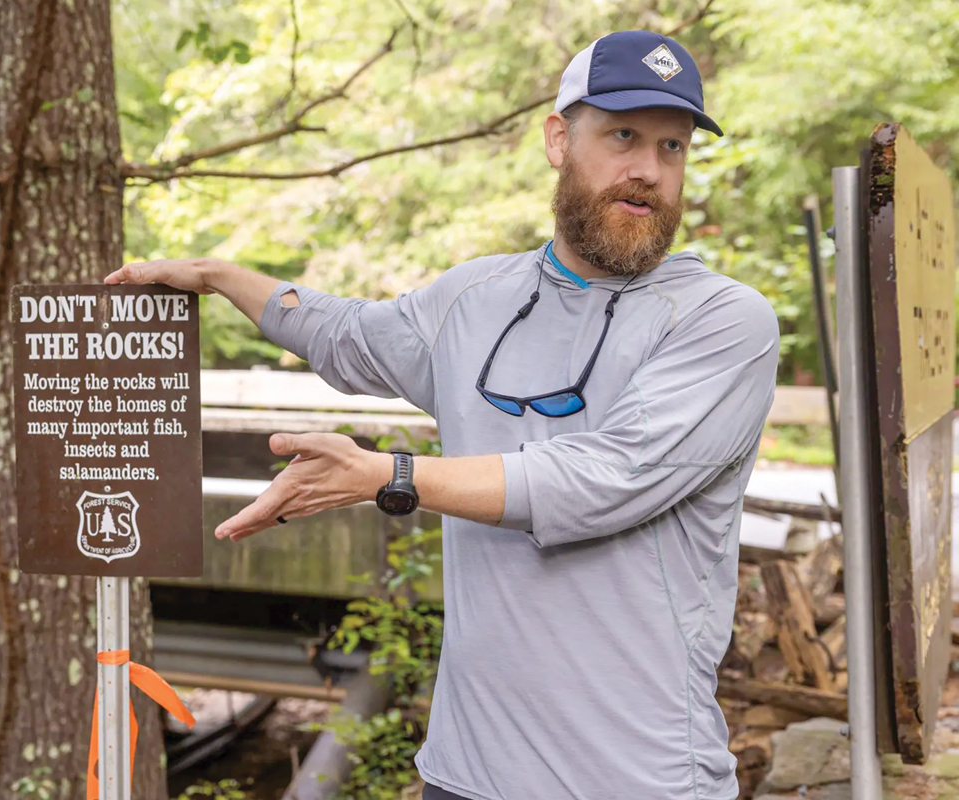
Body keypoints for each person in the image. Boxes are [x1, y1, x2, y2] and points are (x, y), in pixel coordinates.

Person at [106, 29, 778, 800]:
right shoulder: (474, 299)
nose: (647, 171)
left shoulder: (724, 321)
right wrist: (221, 277)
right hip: (465, 774)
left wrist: (388, 476)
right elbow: (347, 333)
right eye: (622, 135)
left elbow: (603, 478)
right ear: (559, 138)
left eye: (672, 147)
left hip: (637, 778)